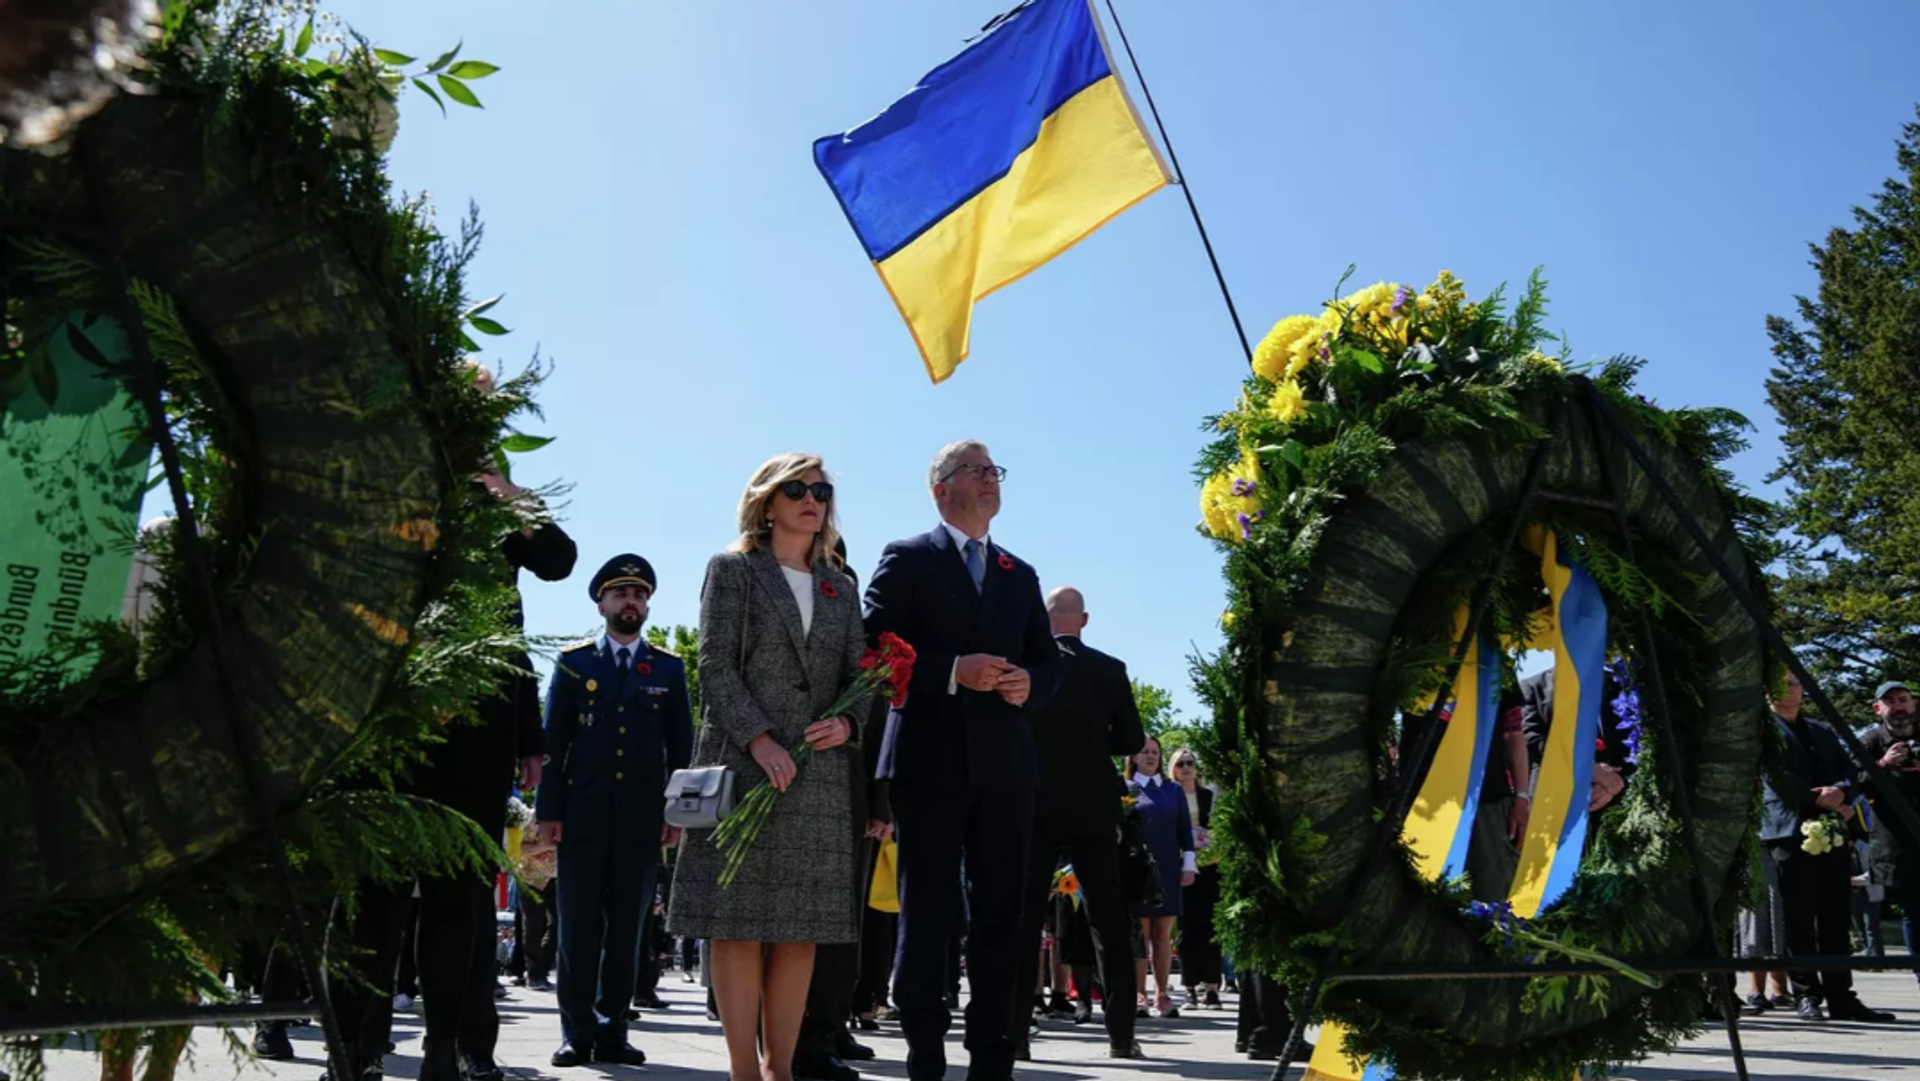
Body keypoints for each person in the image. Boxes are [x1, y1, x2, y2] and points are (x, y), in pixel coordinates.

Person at [862, 440, 1059, 1081]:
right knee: (928, 911)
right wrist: (951, 670)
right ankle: (924, 1051)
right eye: (976, 469)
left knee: (1003, 913)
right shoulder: (908, 557)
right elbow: (873, 647)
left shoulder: (1019, 573)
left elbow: (1048, 662)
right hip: (930, 761)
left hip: (1006, 767)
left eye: (995, 469)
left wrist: (1030, 683)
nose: (991, 478)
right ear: (941, 489)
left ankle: (994, 1056)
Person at [667, 454, 867, 1081]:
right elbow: (713, 666)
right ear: (767, 501)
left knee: (799, 930)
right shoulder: (732, 570)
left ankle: (780, 1069)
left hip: (817, 775)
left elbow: (860, 677)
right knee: (735, 927)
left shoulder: (841, 586)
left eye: (822, 492)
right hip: (742, 764)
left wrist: (849, 723)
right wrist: (759, 739)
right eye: (797, 489)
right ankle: (742, 1071)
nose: (812, 500)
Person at [537, 554, 694, 1067]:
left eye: (640, 595)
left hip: (642, 818)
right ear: (601, 604)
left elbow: (681, 749)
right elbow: (554, 743)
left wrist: (676, 813)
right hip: (581, 814)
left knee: (628, 930)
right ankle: (575, 1031)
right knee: (577, 929)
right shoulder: (575, 662)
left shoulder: (668, 668)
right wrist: (548, 811)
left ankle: (613, 1030)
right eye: (621, 593)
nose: (632, 602)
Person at [1010, 586, 1143, 1060]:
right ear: (1083, 621)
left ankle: (1015, 1033)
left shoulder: (1025, 668)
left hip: (1035, 801)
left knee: (1024, 920)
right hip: (1092, 805)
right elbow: (1130, 739)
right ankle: (1121, 1035)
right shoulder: (1109, 669)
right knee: (1109, 920)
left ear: (1043, 619)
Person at [1759, 670, 1894, 1021]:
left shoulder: (1821, 730)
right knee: (1798, 916)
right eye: (1779, 684)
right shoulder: (1761, 730)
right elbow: (1772, 778)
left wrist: (1842, 792)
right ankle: (1806, 994)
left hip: (1832, 829)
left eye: (1793, 683)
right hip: (1788, 831)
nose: (1787, 689)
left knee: (1836, 914)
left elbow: (1849, 770)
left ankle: (1841, 996)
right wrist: (1815, 798)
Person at [1125, 736, 1194, 1018]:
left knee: (1162, 934)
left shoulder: (1173, 789)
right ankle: (1139, 994)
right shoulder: (1126, 788)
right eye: (1145, 752)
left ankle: (1162, 995)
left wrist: (1188, 864)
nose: (1151, 756)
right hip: (1136, 870)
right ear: (1133, 757)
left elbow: (1185, 830)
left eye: (1155, 752)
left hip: (1167, 869)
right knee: (1139, 934)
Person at [1858, 679, 1920, 991]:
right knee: (1914, 912)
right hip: (1899, 844)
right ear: (1877, 708)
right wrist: (1883, 764)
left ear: (1913, 704)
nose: (1898, 707)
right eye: (1890, 701)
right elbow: (1852, 782)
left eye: (1903, 699)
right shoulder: (1869, 741)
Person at [1170, 748, 1223, 1010]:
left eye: (1190, 762)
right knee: (1186, 930)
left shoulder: (1208, 796)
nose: (1186, 768)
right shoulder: (1170, 794)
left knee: (1211, 929)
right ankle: (1189, 987)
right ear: (1173, 768)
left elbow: (1220, 828)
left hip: (1210, 867)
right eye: (1180, 764)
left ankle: (1212, 988)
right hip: (1181, 868)